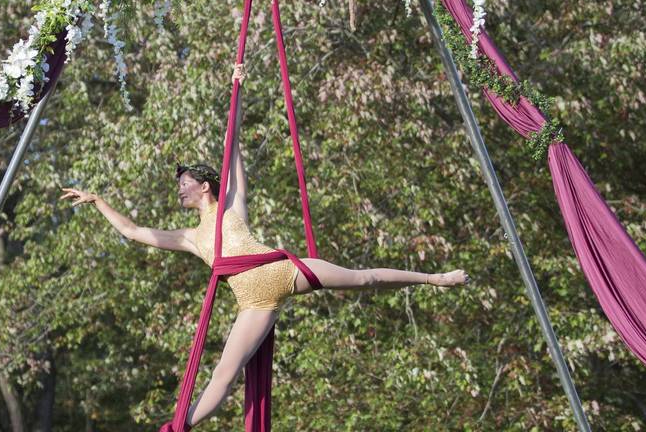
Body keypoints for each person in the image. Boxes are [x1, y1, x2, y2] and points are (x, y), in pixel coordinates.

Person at [60, 62, 469, 428]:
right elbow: (135, 232)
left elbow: (232, 146)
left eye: (183, 185)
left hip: (286, 271)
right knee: (224, 372)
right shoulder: (189, 237)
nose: (178, 192)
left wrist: (236, 92)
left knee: (364, 278)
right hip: (255, 304)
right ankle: (177, 427)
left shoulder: (231, 208)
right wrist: (98, 202)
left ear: (204, 186)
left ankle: (433, 278)